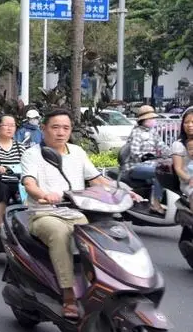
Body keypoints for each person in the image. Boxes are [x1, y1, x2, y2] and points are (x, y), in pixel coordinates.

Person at [21, 109, 138, 319]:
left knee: (97, 237)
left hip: (75, 212)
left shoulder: (77, 152)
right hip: (44, 214)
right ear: (44, 129)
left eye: (65, 128)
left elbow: (96, 179)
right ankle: (68, 295)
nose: (60, 132)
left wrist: (125, 190)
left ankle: (104, 285)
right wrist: (45, 194)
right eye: (55, 127)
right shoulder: (32, 154)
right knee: (60, 235)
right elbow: (29, 183)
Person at [125, 105, 171, 214]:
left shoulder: (153, 132)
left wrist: (174, 154)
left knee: (166, 171)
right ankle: (155, 204)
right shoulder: (136, 132)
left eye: (153, 118)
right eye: (150, 119)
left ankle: (156, 201)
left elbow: (162, 146)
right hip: (134, 167)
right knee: (160, 173)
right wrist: (144, 157)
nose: (153, 121)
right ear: (143, 120)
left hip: (150, 165)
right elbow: (134, 153)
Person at [172, 107, 193, 210]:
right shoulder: (178, 145)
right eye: (186, 122)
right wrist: (189, 179)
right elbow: (178, 169)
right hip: (188, 183)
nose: (190, 125)